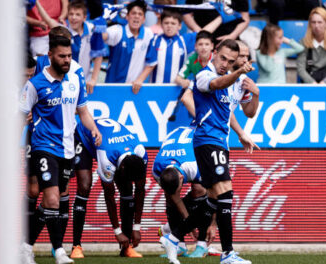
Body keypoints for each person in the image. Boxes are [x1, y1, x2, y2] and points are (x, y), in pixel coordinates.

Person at [160, 39, 258, 264]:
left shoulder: (237, 81)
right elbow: (216, 85)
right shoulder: (205, 75)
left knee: (213, 201)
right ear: (215, 53)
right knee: (226, 195)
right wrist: (238, 73)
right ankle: (228, 254)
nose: (225, 63)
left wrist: (256, 94)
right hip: (207, 141)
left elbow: (248, 112)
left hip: (221, 143)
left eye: (231, 61)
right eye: (223, 58)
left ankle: (173, 237)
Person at [19, 34, 102, 264]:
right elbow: (20, 114)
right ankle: (50, 251)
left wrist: (93, 129)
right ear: (50, 56)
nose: (67, 60)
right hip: (43, 147)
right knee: (53, 199)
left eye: (69, 56)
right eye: (62, 56)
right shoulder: (35, 84)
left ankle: (41, 248)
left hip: (68, 149)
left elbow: (83, 110)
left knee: (50, 203)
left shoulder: (75, 80)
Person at [71, 117, 148, 258]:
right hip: (84, 136)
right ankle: (76, 246)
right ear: (121, 168)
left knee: (127, 190)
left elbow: (140, 190)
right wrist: (117, 231)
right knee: (84, 186)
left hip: (112, 143)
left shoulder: (141, 153)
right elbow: (109, 196)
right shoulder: (106, 157)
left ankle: (126, 248)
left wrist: (137, 227)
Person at [153, 126, 216, 258]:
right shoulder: (158, 169)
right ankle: (178, 246)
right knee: (170, 198)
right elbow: (174, 197)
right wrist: (190, 226)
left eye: (179, 188)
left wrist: (213, 224)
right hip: (178, 146)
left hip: (197, 145)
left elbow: (216, 194)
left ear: (182, 178)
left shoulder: (194, 166)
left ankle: (202, 245)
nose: (177, 193)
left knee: (200, 190)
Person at [133, 10, 222, 93]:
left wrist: (221, 17)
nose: (169, 26)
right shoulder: (155, 40)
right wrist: (140, 79)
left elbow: (204, 32)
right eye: (166, 23)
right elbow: (150, 65)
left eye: (173, 23)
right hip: (156, 89)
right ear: (161, 24)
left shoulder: (184, 40)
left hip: (176, 90)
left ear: (179, 26)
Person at [102, 0, 155, 87]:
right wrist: (102, 20)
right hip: (112, 87)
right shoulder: (117, 30)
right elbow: (102, 37)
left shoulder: (148, 34)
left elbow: (151, 62)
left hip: (134, 89)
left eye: (140, 14)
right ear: (127, 16)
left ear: (144, 19)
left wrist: (139, 80)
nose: (136, 16)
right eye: (133, 13)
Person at [176, 31, 215, 117]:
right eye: (200, 44)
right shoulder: (192, 59)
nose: (203, 47)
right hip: (200, 93)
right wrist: (183, 82)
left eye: (206, 44)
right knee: (185, 97)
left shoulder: (217, 58)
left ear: (212, 46)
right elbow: (178, 78)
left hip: (216, 92)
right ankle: (201, 119)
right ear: (195, 46)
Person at [183, 0, 249, 43]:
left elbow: (245, 18)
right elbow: (186, 14)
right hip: (204, 41)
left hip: (231, 39)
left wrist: (232, 36)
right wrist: (201, 33)